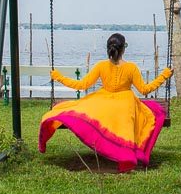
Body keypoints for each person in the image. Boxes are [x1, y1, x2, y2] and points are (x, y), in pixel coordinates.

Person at [38, 33, 172, 172]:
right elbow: (145, 89)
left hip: (103, 99)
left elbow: (82, 85)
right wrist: (164, 75)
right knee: (126, 122)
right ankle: (124, 153)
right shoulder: (131, 68)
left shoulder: (101, 66)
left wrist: (58, 77)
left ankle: (109, 148)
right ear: (123, 49)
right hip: (125, 101)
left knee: (93, 112)